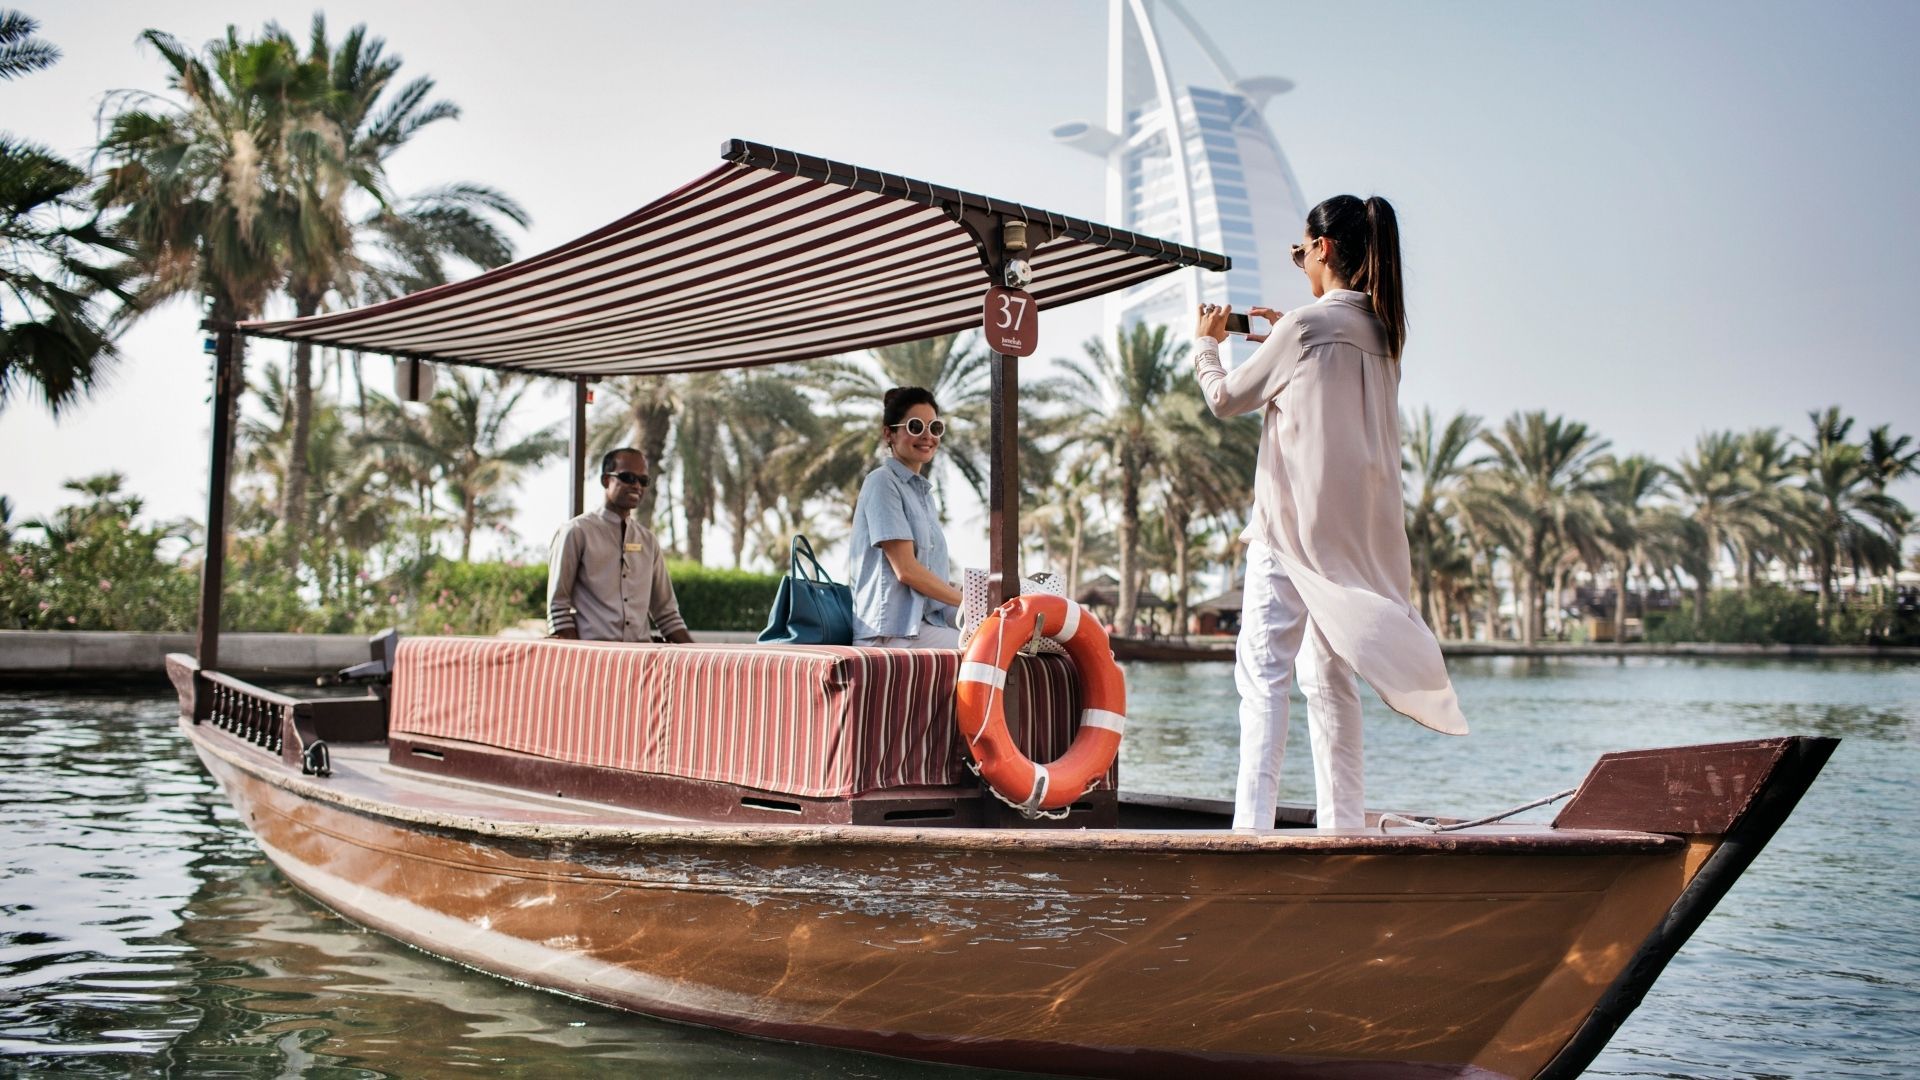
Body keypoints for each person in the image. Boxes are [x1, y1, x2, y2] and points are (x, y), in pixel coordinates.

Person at [1191, 194, 1467, 831]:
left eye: (1301, 249)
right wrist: (1291, 319)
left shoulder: (1307, 329)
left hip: (1290, 535)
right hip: (1353, 543)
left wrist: (1207, 346)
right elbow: (1322, 358)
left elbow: (1227, 399)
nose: (1298, 260)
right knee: (1330, 682)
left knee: (1263, 677)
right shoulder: (1387, 332)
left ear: (1324, 249)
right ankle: (1341, 828)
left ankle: (1250, 833)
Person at [848, 386, 962, 648]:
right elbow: (906, 570)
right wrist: (968, 604)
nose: (927, 436)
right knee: (992, 648)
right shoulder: (882, 483)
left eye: (934, 428)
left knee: (1011, 636)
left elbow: (931, 574)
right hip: (890, 633)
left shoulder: (922, 494)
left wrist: (980, 599)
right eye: (914, 426)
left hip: (924, 626)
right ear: (889, 433)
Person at [547, 448, 694, 644]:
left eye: (643, 481)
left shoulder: (648, 541)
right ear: (606, 480)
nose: (636, 486)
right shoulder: (576, 532)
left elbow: (666, 615)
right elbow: (558, 606)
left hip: (641, 660)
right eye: (627, 477)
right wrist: (577, 654)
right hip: (594, 657)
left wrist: (700, 657)